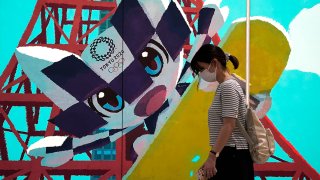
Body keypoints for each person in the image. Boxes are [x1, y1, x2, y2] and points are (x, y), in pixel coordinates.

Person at [190, 44, 254, 179]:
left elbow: (229, 125)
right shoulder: (225, 86)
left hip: (232, 155)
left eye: (201, 68)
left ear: (214, 63)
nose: (201, 74)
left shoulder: (228, 87)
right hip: (230, 154)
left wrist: (212, 156)